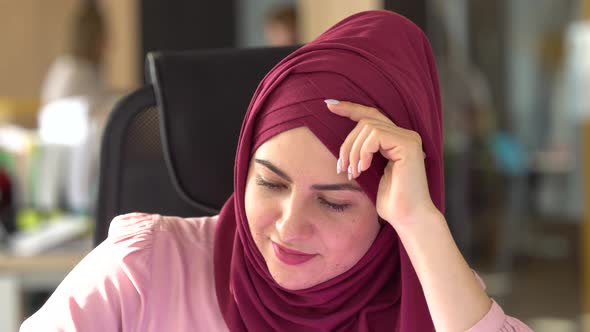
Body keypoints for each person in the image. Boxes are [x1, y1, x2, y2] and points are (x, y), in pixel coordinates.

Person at [21, 11, 533, 331]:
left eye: (333, 200)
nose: (288, 226)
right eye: (269, 181)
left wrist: (420, 221)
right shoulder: (141, 271)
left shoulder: (437, 304)